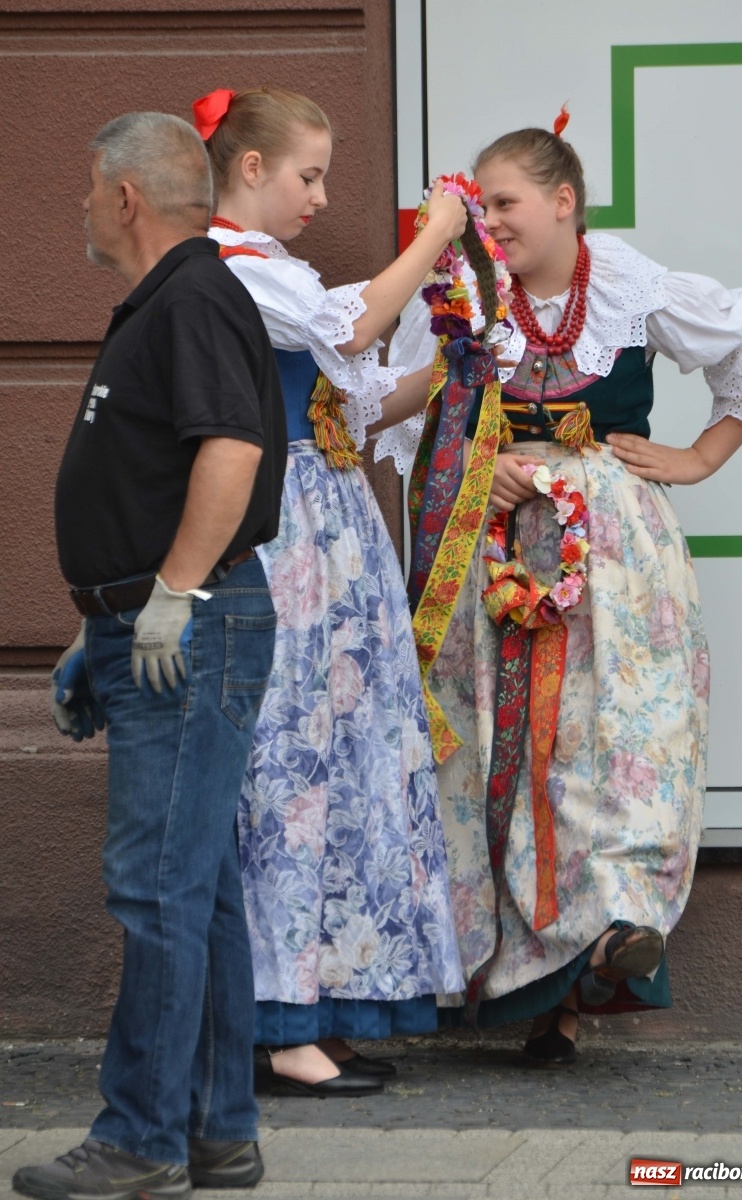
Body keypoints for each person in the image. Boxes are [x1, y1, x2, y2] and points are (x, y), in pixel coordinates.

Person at [385, 117, 742, 1066]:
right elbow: (406, 419)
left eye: (503, 204)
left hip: (610, 548)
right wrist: (476, 469)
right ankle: (519, 986)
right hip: (491, 548)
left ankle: (606, 941)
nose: (487, 221)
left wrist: (695, 457)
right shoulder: (461, 294)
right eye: (479, 205)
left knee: (612, 739)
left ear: (563, 202)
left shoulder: (626, 284)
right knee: (501, 743)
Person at [13, 112, 287, 1199]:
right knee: (200, 888)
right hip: (159, 628)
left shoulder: (192, 294)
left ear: (127, 196)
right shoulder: (172, 302)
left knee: (156, 891)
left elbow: (232, 447)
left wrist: (168, 598)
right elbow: (152, 480)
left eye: (89, 187)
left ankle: (140, 1140)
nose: (81, 204)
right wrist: (103, 624)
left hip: (191, 629)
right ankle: (217, 1130)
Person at [191, 85, 466, 1096]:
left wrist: (453, 364)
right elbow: (349, 334)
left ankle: (329, 1004)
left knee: (344, 763)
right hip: (283, 528)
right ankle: (279, 1022)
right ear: (250, 167)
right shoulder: (230, 266)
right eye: (308, 174)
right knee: (289, 766)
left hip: (329, 526)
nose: (319, 195)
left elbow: (355, 387)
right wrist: (435, 234)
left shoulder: (279, 274)